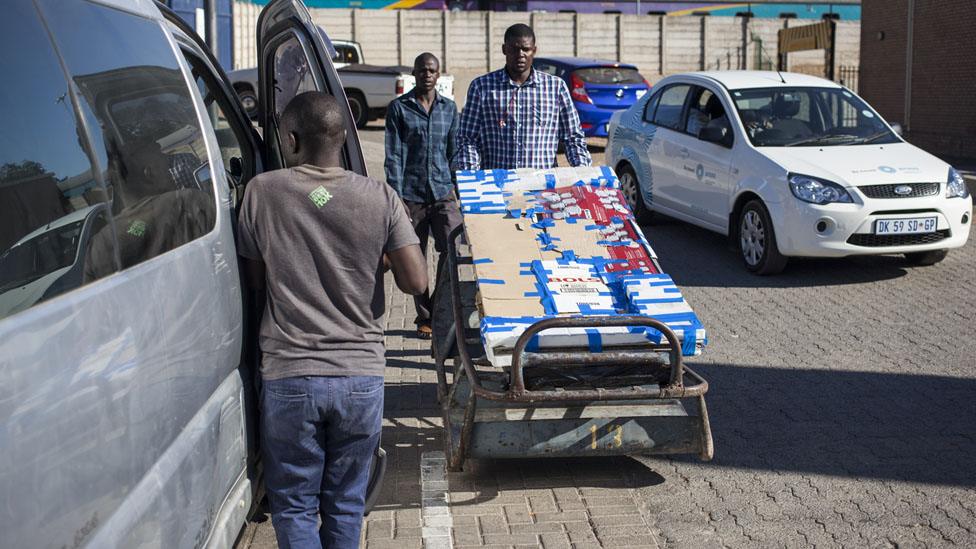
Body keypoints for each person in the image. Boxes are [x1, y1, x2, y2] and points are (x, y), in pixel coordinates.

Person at [236, 91, 427, 548]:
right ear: (344, 138)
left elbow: (255, 281)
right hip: (360, 376)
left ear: (292, 138)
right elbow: (417, 282)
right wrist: (376, 257)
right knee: (345, 502)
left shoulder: (262, 191)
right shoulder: (380, 196)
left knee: (295, 503)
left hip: (289, 375)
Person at [384, 52, 461, 340]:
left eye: (431, 70)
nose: (427, 75)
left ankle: (442, 309)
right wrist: (396, 196)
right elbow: (394, 155)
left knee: (451, 251)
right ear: (413, 74)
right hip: (411, 195)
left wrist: (458, 188)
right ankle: (425, 317)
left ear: (438, 75)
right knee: (414, 256)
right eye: (421, 70)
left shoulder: (450, 110)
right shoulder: (399, 108)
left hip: (442, 193)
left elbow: (454, 153)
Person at [454, 23, 591, 171]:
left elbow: (573, 137)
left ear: (534, 50)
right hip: (497, 187)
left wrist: (583, 173)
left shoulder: (555, 87)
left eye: (526, 49)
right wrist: (472, 177)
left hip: (542, 187)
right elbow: (468, 138)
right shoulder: (482, 87)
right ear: (504, 50)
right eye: (514, 49)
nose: (520, 54)